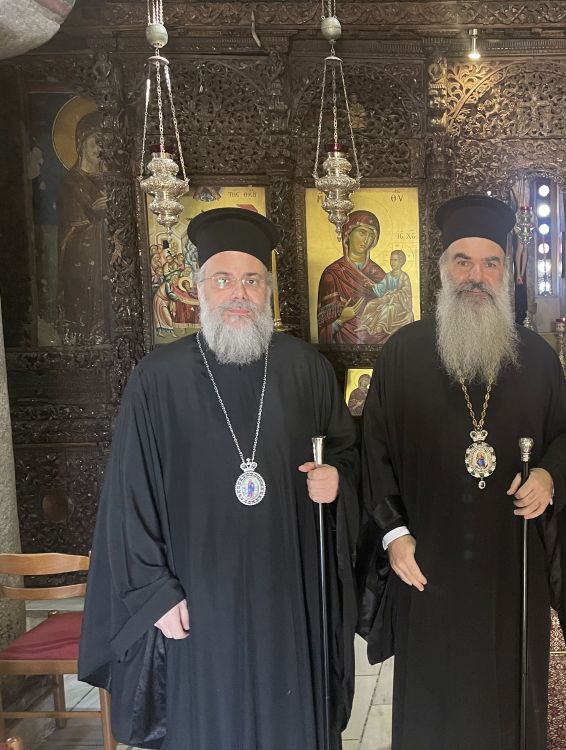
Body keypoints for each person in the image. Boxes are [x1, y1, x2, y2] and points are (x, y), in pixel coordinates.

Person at [79, 208, 361, 750]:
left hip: (288, 593)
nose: (239, 294)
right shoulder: (156, 380)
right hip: (196, 599)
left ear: (268, 291)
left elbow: (346, 454)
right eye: (224, 280)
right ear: (199, 287)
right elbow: (128, 497)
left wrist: (337, 481)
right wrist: (154, 593)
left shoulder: (307, 370)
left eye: (252, 280)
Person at [356, 195, 566, 750]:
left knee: (510, 694)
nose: (476, 276)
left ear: (506, 273)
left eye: (490, 264)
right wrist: (394, 534)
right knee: (432, 702)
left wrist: (548, 478)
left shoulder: (536, 358)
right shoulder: (403, 353)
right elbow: (374, 451)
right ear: (444, 270)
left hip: (513, 563)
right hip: (427, 559)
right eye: (463, 261)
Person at [57, 109, 107, 343]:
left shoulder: (111, 181)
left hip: (107, 258)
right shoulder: (71, 182)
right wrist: (96, 216)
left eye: (104, 143)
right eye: (95, 142)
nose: (99, 149)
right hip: (82, 258)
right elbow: (71, 230)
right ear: (81, 144)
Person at [316, 210, 388, 344]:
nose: (366, 240)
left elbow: (390, 316)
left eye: (371, 235)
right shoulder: (332, 274)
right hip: (341, 347)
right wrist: (341, 319)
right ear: (348, 234)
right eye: (362, 233)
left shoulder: (379, 274)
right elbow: (323, 329)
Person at [361, 248, 414, 338]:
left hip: (399, 303)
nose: (392, 262)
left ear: (401, 262)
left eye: (395, 260)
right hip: (387, 299)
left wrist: (395, 295)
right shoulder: (388, 275)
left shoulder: (404, 277)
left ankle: (380, 326)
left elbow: (406, 293)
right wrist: (372, 285)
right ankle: (365, 324)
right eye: (391, 260)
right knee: (371, 304)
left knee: (389, 308)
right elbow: (382, 287)